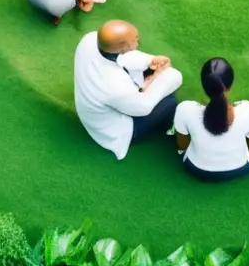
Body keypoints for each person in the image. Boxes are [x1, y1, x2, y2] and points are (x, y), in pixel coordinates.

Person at [74, 19, 182, 160]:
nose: (138, 42)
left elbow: (124, 57)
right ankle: (170, 126)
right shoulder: (114, 85)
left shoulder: (90, 39)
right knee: (171, 97)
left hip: (103, 100)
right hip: (117, 129)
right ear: (121, 48)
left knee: (156, 73)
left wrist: (151, 60)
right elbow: (143, 108)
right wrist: (149, 83)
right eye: (135, 40)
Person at [173, 58, 249, 182]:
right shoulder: (247, 109)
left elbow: (182, 145)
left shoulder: (185, 109)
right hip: (241, 168)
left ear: (204, 86)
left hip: (195, 168)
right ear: (231, 84)